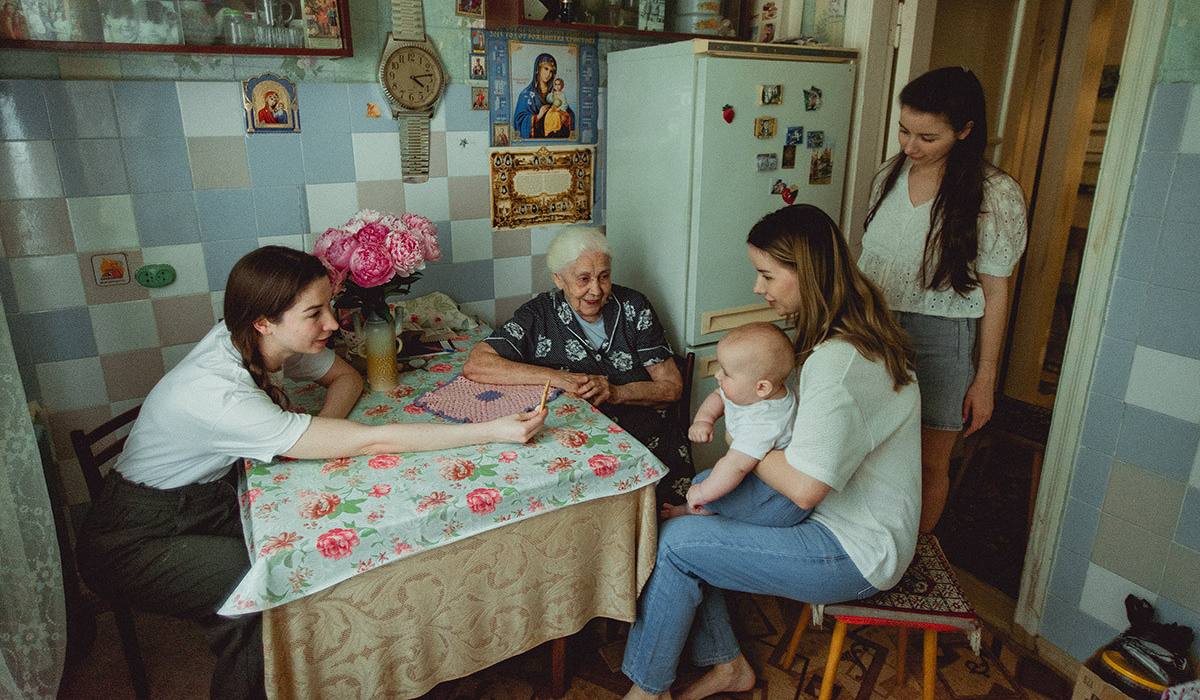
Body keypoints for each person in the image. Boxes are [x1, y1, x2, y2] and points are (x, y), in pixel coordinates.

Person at [76, 246, 546, 700]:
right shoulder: (219, 394)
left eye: (330, 306)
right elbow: (374, 440)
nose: (333, 323)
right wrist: (493, 430)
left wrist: (321, 430)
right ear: (264, 320)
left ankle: (354, 669)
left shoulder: (262, 338)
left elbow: (348, 378)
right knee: (265, 589)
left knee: (324, 545)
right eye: (314, 313)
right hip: (132, 537)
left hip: (203, 498)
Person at [619, 204, 921, 700]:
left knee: (675, 543)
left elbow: (803, 489)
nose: (758, 288)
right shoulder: (843, 335)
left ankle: (646, 693)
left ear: (809, 272)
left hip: (854, 548)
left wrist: (743, 446)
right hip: (850, 523)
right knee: (696, 511)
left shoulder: (838, 362)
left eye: (767, 274)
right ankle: (728, 666)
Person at [858, 66, 1028, 532]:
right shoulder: (888, 177)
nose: (910, 147)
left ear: (966, 130)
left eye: (927, 138)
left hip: (942, 338)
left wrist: (985, 377)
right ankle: (868, 546)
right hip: (873, 329)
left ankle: (912, 565)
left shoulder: (996, 194)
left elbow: (996, 290)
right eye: (904, 130)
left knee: (929, 464)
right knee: (866, 452)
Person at [463, 226, 695, 505]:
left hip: (649, 445)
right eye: (583, 279)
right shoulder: (539, 314)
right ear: (559, 279)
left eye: (604, 277)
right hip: (577, 451)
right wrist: (560, 378)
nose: (596, 290)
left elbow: (671, 388)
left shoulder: (634, 307)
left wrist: (617, 392)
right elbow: (478, 364)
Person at [661, 321, 799, 522]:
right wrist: (704, 420)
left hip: (776, 497)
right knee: (707, 482)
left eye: (726, 373)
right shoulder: (752, 391)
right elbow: (719, 396)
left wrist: (703, 494)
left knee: (707, 488)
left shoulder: (765, 422)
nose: (718, 375)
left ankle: (695, 510)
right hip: (754, 472)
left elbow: (736, 466)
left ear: (762, 388)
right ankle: (702, 506)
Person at [512, 52, 574, 139]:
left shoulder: (556, 93)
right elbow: (518, 120)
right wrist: (537, 117)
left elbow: (569, 114)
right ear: (538, 69)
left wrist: (564, 116)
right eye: (546, 69)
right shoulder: (525, 94)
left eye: (551, 71)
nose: (548, 74)